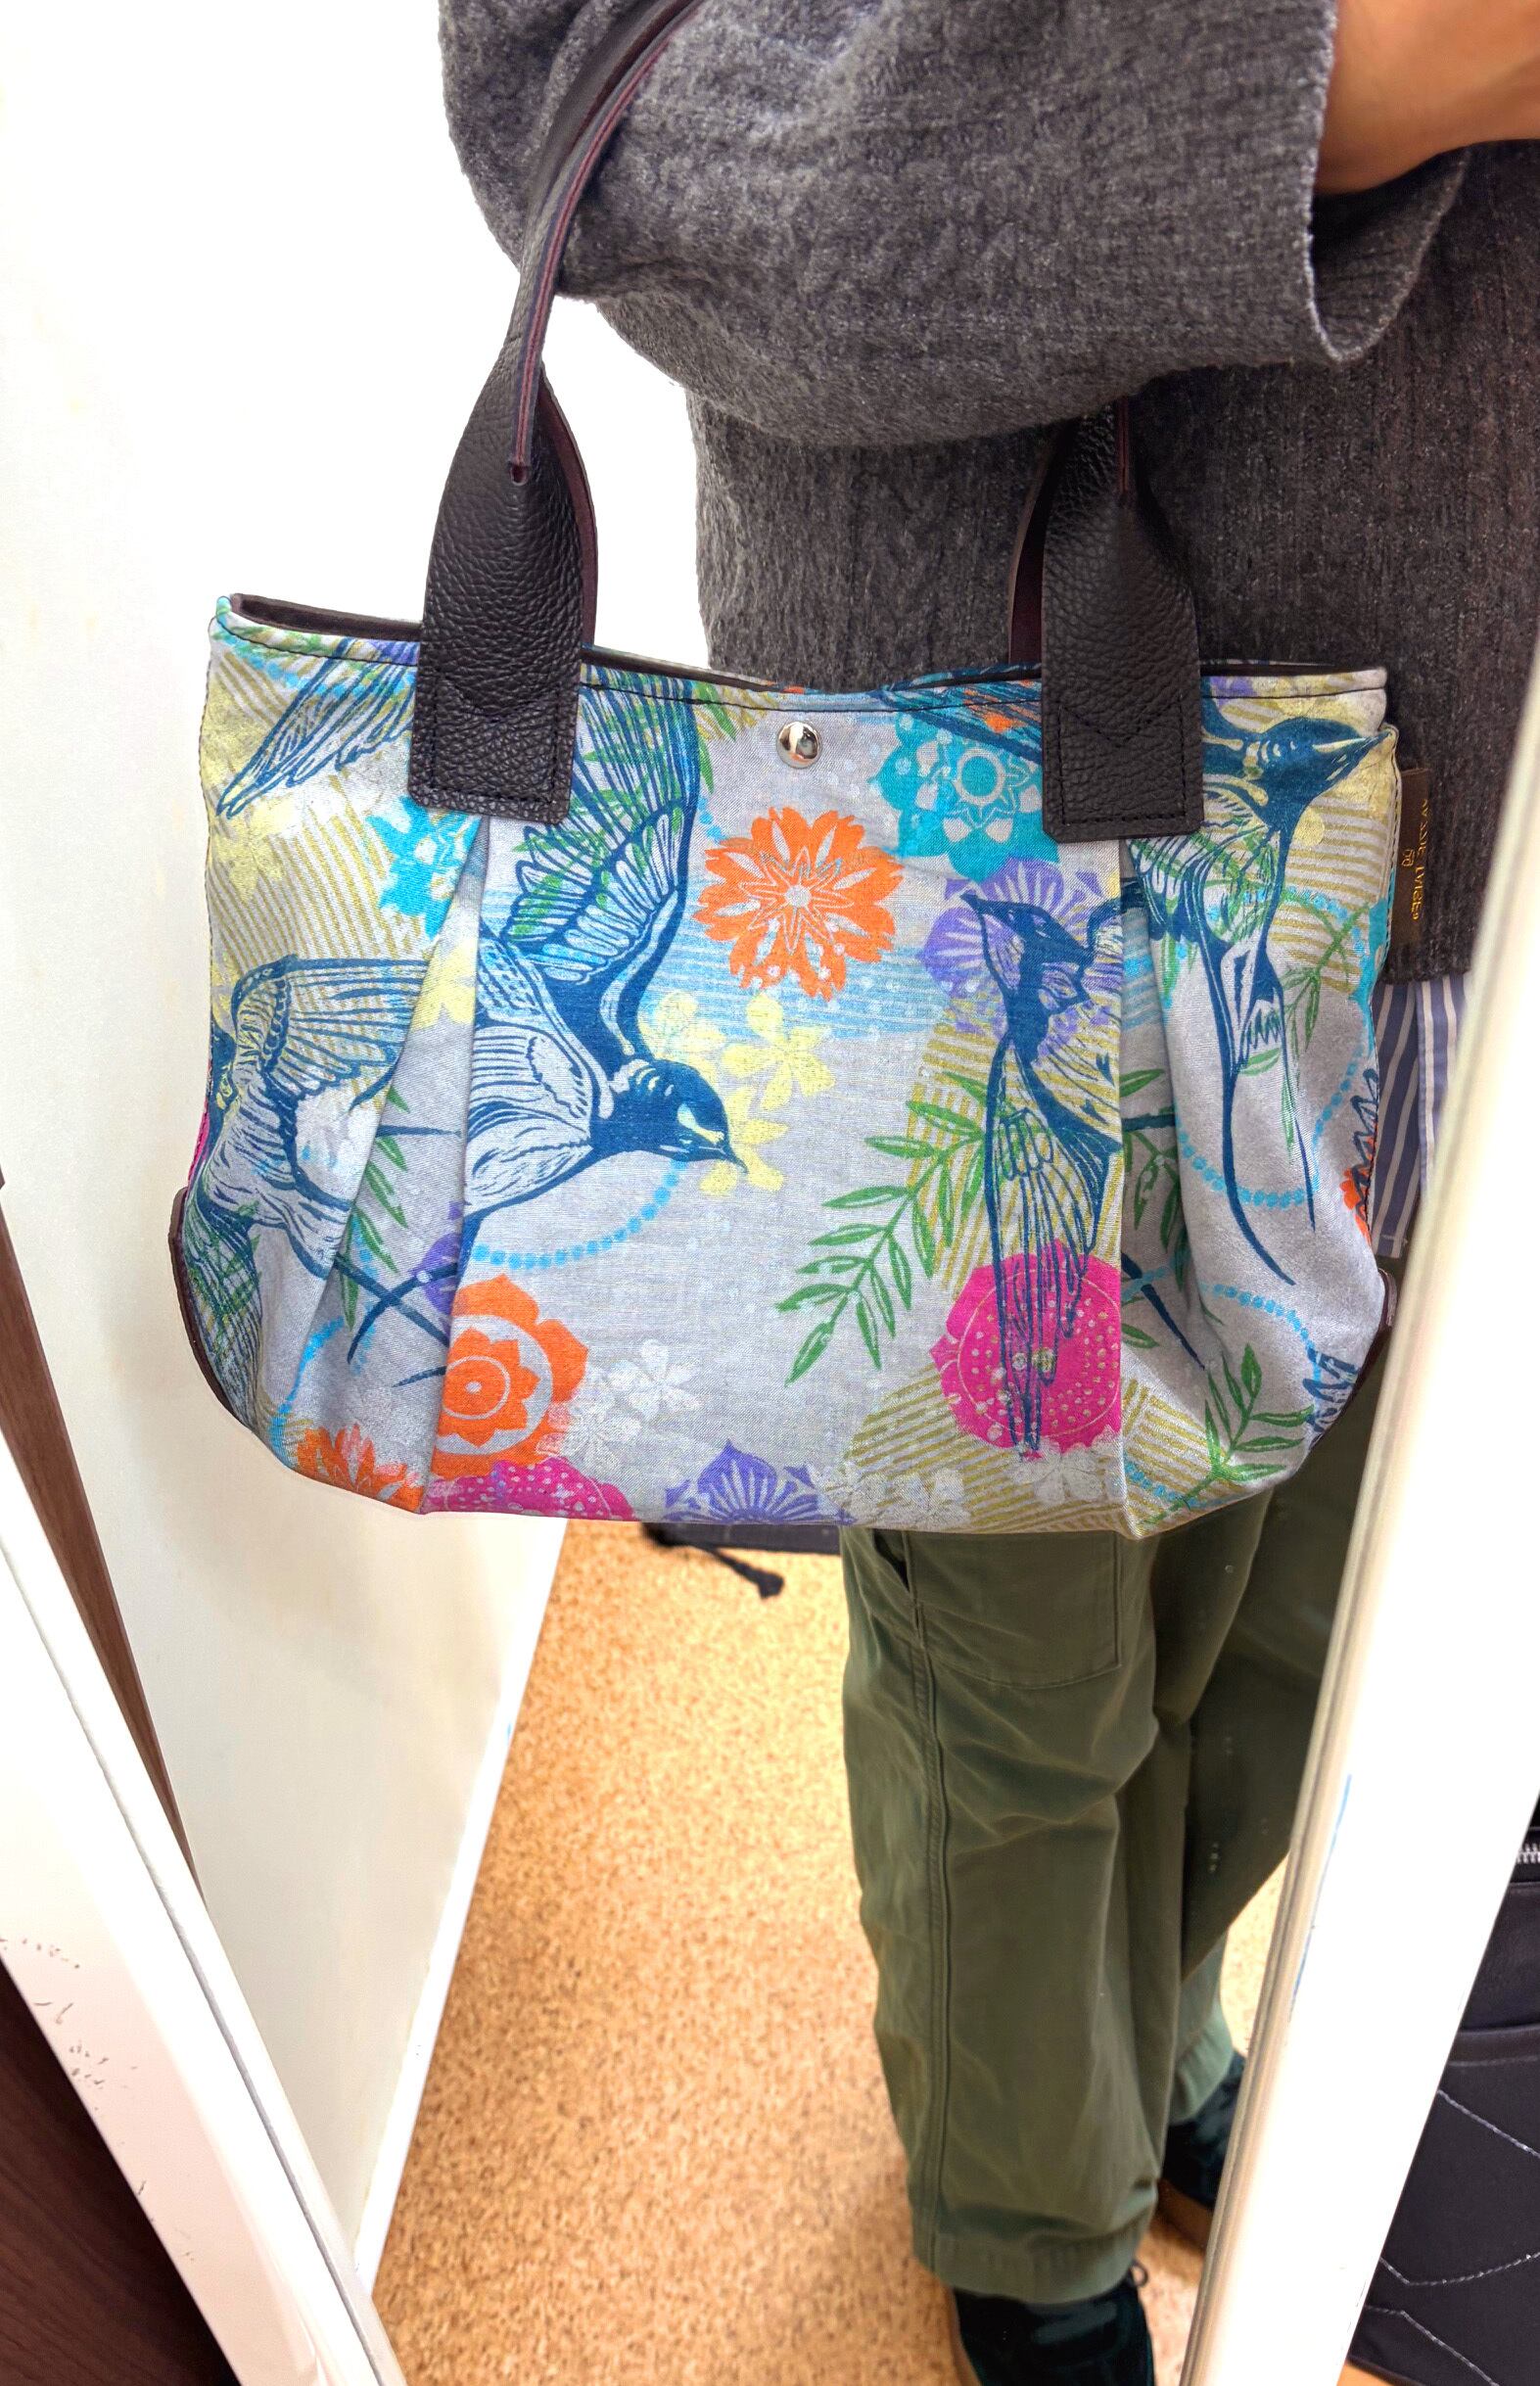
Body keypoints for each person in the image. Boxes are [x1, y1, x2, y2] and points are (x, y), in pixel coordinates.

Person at [439, 3, 1540, 2378]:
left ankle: (1146, 2044)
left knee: (1293, 1631)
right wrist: (1342, 82)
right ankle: (1030, 2207)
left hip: (1455, 862)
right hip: (969, 879)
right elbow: (586, 95)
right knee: (1019, 1685)